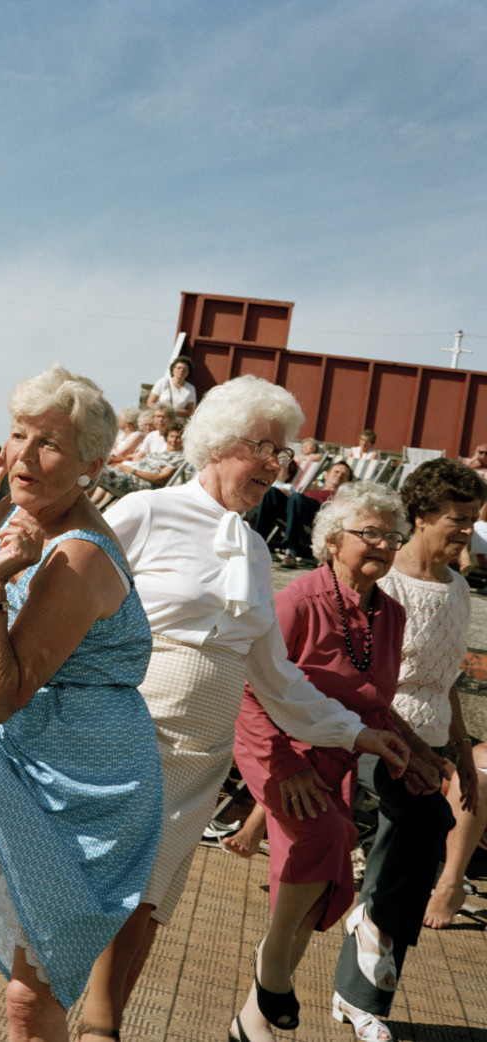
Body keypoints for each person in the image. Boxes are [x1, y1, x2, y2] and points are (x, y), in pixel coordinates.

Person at [80, 375, 410, 1042]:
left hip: (203, 755)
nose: (274, 465)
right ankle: (92, 1026)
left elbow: (276, 676)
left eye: (281, 453)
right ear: (217, 443)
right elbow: (74, 608)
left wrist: (356, 734)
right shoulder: (146, 511)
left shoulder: (255, 549)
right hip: (132, 732)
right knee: (112, 891)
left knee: (151, 901)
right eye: (263, 448)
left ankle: (99, 1026)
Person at [0, 365, 163, 1042]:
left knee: (29, 1001)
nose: (23, 455)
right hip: (22, 749)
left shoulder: (78, 557)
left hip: (89, 778)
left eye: (49, 444)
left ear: (90, 467)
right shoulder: (20, 514)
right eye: (19, 434)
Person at [229, 482, 441, 1042]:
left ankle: (252, 1021)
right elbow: (248, 689)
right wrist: (284, 766)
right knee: (324, 840)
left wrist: (419, 755)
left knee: (320, 886)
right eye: (369, 533)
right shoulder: (296, 602)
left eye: (392, 537)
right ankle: (272, 960)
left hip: (338, 754)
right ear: (330, 540)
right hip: (278, 748)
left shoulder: (391, 614)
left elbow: (374, 703)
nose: (384, 545)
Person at [377, 460, 487, 933]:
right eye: (457, 518)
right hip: (380, 738)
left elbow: (446, 680)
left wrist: (461, 753)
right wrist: (417, 752)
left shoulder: (458, 588)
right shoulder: (385, 580)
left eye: (473, 518)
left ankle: (377, 953)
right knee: (418, 835)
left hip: (437, 742)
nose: (467, 529)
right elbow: (363, 683)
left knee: (398, 867)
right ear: (421, 516)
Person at [252, 459, 354, 567]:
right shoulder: (312, 488)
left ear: (347, 482)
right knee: (272, 492)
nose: (339, 475)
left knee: (297, 498)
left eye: (344, 475)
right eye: (336, 472)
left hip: (318, 515)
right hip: (297, 510)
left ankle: (290, 551)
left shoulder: (342, 497)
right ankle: (256, 542)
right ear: (326, 475)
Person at [95, 422, 185, 498]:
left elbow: (159, 479)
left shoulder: (177, 458)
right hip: (128, 475)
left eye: (178, 438)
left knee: (96, 471)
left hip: (138, 483)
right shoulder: (159, 454)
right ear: (166, 437)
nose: (174, 440)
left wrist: (132, 471)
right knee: (95, 468)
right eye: (171, 436)